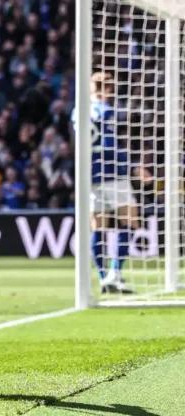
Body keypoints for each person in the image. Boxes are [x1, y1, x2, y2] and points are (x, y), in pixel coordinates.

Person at [72, 72, 137, 294]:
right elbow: (110, 144)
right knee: (130, 220)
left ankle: (103, 279)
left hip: (90, 173)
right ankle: (114, 273)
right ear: (107, 88)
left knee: (98, 226)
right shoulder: (106, 111)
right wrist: (131, 166)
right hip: (112, 172)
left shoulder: (78, 111)